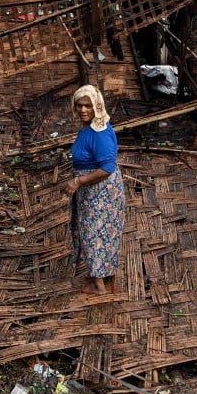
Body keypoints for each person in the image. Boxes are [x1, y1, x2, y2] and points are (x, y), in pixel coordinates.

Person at [64, 85, 126, 294]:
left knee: (94, 233)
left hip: (100, 192)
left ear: (97, 106)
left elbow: (107, 167)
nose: (83, 110)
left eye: (88, 106)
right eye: (79, 105)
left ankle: (99, 285)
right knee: (100, 231)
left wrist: (79, 181)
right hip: (93, 190)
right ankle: (102, 271)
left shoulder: (99, 133)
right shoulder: (91, 127)